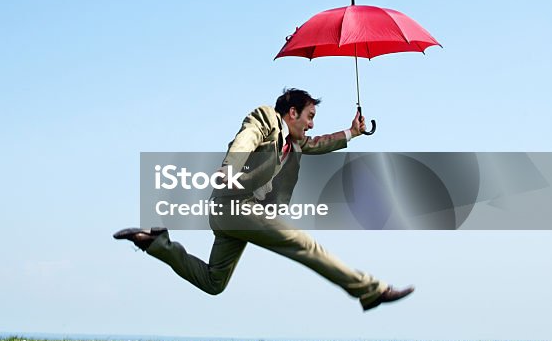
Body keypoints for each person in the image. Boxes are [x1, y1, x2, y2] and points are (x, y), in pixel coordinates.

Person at [114, 88, 414, 311]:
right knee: (304, 244)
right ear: (292, 112)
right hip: (236, 205)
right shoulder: (266, 119)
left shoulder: (295, 142)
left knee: (213, 282)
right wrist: (231, 167)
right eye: (309, 117)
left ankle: (154, 242)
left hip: (229, 215)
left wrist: (353, 132)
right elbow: (247, 137)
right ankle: (370, 290)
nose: (311, 125)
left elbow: (318, 144)